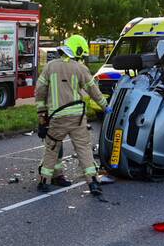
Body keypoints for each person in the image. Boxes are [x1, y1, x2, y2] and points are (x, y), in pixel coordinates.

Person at [36, 34, 109, 196]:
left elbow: (39, 90)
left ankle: (44, 182)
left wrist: (41, 114)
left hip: (57, 117)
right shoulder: (80, 68)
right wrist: (106, 106)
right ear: (77, 51)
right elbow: (93, 90)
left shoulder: (50, 67)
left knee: (51, 148)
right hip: (77, 118)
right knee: (83, 149)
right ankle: (93, 183)